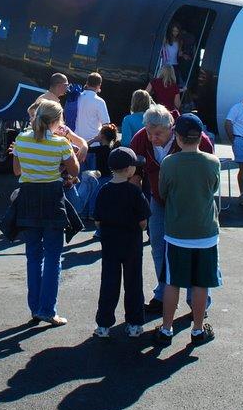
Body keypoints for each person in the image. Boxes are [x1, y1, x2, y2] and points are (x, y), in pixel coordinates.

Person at [129, 104, 214, 311]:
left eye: (157, 133)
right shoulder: (140, 139)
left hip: (190, 204)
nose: (152, 138)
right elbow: (135, 174)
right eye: (149, 132)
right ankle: (163, 292)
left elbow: (208, 168)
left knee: (193, 249)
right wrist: (136, 207)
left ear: (171, 128)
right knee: (158, 243)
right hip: (158, 200)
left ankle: (196, 301)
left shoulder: (195, 139)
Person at [11, 99, 88, 326]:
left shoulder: (21, 139)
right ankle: (48, 309)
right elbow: (75, 169)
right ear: (55, 121)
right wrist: (67, 148)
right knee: (53, 256)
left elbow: (17, 170)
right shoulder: (60, 143)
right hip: (52, 199)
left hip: (28, 198)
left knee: (33, 256)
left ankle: (35, 308)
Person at [155, 113, 221, 345]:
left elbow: (163, 193)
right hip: (205, 232)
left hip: (177, 232)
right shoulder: (213, 162)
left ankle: (166, 329)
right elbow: (213, 189)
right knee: (200, 282)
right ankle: (197, 328)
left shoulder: (169, 163)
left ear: (178, 137)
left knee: (173, 282)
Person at [92, 146, 150, 337]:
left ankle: (103, 325)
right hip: (132, 243)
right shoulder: (134, 192)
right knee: (133, 283)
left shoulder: (104, 190)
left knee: (108, 282)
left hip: (109, 243)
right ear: (129, 169)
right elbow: (143, 222)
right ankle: (134, 323)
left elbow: (98, 219)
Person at [72, 72, 112, 142]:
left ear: (87, 83)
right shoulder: (100, 101)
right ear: (99, 85)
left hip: (76, 141)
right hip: (93, 143)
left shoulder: (77, 97)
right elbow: (105, 125)